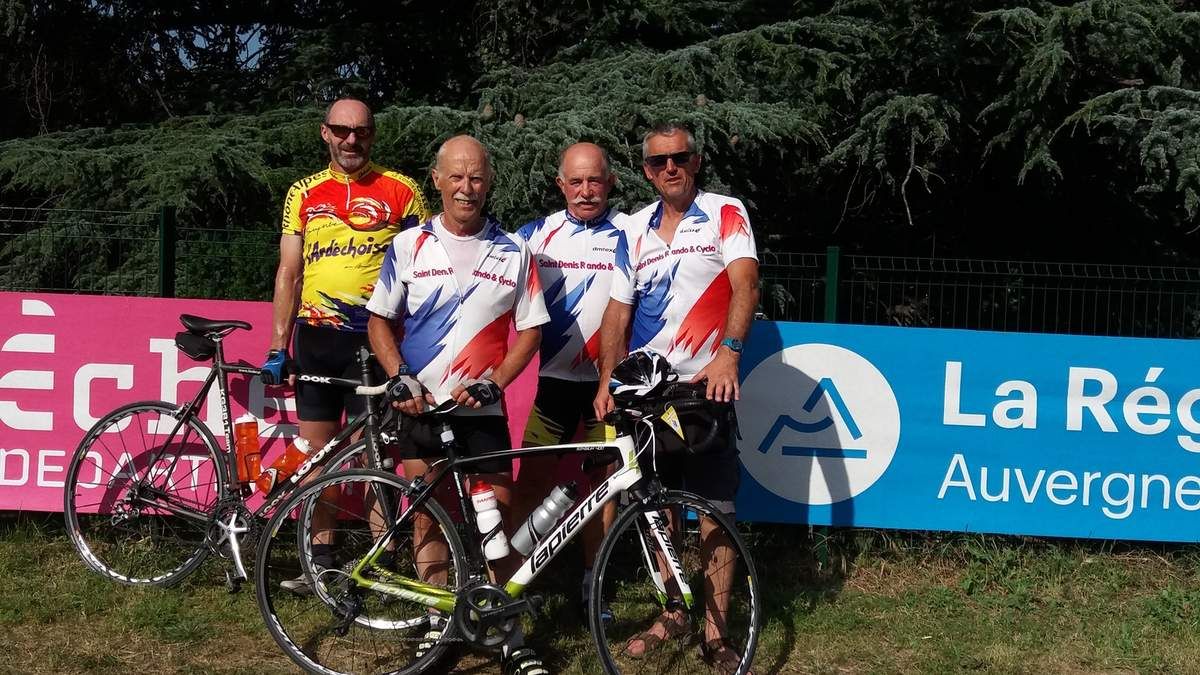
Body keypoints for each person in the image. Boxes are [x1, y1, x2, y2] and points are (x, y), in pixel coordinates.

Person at [366, 134, 550, 674]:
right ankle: (436, 624)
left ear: (488, 183)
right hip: (421, 407)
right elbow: (379, 321)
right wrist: (399, 378)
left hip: (482, 411)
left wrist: (497, 381)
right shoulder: (408, 245)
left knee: (498, 520)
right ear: (437, 180)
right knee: (428, 516)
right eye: (456, 176)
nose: (466, 188)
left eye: (476, 178)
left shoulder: (515, 250)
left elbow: (531, 331)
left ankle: (507, 633)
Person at [593, 122, 759, 674]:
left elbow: (745, 284)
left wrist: (730, 352)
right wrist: (607, 379)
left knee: (715, 512)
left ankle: (716, 631)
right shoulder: (633, 228)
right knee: (657, 509)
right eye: (659, 161)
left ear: (696, 161)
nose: (670, 167)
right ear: (645, 171)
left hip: (705, 387)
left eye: (680, 157)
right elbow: (618, 311)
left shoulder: (724, 211)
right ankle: (674, 611)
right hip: (647, 396)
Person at [261, 98, 429, 594]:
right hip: (316, 338)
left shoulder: (403, 190)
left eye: (361, 131)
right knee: (318, 455)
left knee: (376, 457)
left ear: (373, 134)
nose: (351, 139)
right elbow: (289, 272)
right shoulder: (303, 192)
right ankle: (321, 561)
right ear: (325, 132)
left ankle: (383, 561)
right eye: (341, 130)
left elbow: (424, 271)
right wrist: (277, 345)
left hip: (375, 341)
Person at [512, 142, 626, 617]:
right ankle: (513, 579)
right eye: (575, 182)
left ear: (610, 182)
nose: (585, 191)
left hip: (606, 387)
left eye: (594, 181)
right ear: (560, 185)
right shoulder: (534, 236)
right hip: (553, 384)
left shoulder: (631, 233)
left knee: (604, 484)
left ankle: (593, 581)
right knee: (532, 480)